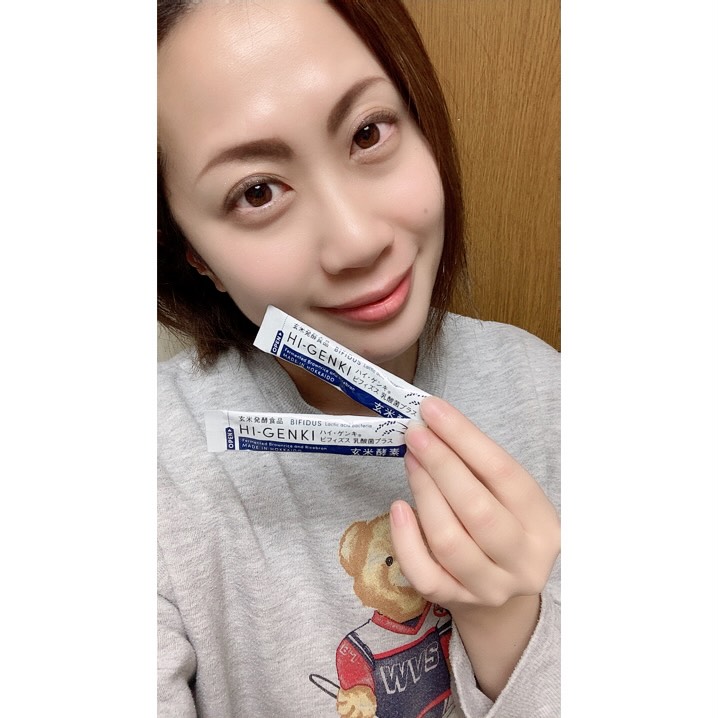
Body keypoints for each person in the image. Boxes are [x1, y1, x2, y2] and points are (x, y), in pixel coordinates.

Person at [157, 1, 561, 716]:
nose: (356, 241)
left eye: (368, 133)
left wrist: (511, 633)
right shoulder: (148, 465)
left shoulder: (550, 393)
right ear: (195, 255)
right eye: (257, 192)